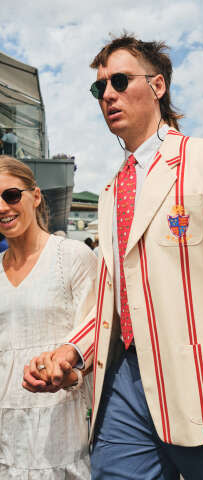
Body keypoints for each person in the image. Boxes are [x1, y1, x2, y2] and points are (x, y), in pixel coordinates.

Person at [23, 34, 203, 480]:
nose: (107, 94)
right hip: (124, 384)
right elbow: (111, 298)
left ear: (158, 86)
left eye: (120, 80)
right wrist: (72, 352)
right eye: (98, 87)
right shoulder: (109, 192)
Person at [0, 155, 97, 478]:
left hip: (62, 431)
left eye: (11, 195)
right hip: (6, 436)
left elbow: (94, 344)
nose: (2, 207)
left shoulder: (72, 257)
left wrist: (65, 374)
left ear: (36, 195)